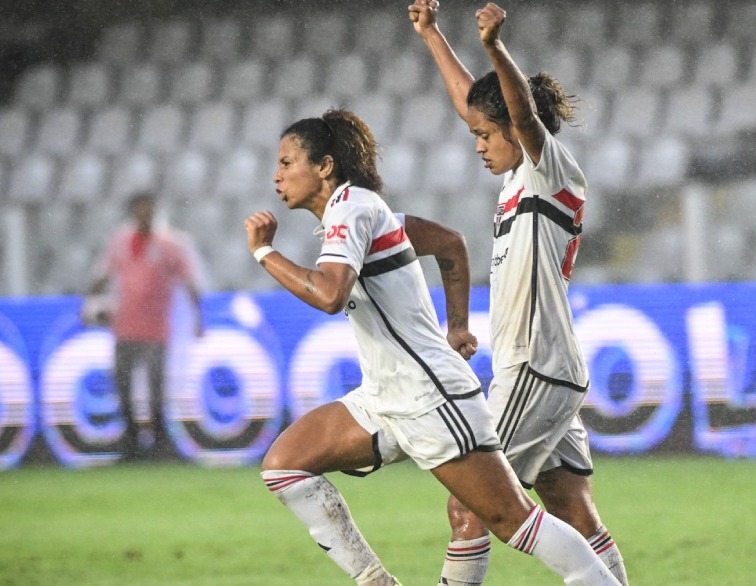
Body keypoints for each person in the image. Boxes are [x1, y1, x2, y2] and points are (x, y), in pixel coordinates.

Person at [247, 109, 621, 585]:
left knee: (513, 521)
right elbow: (448, 242)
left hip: (429, 398)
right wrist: (457, 326)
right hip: (385, 397)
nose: (276, 175)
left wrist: (264, 252)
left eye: (286, 162)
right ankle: (375, 580)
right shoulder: (363, 212)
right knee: (284, 466)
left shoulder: (352, 208)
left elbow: (329, 294)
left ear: (323, 165)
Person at [408, 2, 630, 584]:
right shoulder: (515, 177)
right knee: (573, 510)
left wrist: (494, 48)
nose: (478, 144)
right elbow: (473, 103)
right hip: (540, 367)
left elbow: (522, 117)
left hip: (536, 365)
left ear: (513, 125)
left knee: (470, 503)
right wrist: (433, 37)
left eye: (485, 134)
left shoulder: (548, 168)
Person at [85, 191, 204, 461]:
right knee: (123, 386)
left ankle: (159, 443)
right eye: (139, 209)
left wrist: (198, 317)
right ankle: (131, 443)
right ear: (132, 212)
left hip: (156, 329)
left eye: (148, 208)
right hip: (124, 326)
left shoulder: (170, 244)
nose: (144, 214)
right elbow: (102, 275)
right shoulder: (120, 242)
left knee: (155, 388)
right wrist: (89, 304)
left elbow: (189, 281)